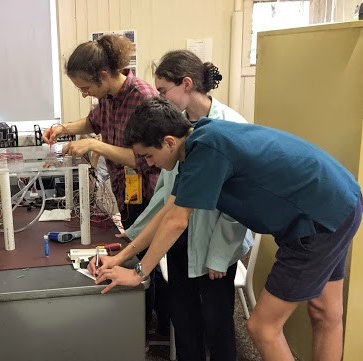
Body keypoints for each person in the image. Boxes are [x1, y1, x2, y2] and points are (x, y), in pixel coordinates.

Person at [93, 97, 362, 361]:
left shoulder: (206, 148)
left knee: (262, 328)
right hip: (341, 200)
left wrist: (138, 273)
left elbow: (177, 221)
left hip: (317, 218)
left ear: (168, 142)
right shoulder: (200, 140)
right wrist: (119, 257)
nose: (148, 164)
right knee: (326, 311)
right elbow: (167, 212)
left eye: (148, 156)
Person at [116, 50, 252, 360]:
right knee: (184, 318)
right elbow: (167, 196)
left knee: (217, 324)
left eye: (163, 90)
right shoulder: (174, 128)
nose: (159, 96)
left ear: (186, 84)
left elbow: (237, 204)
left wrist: (219, 254)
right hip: (180, 236)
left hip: (216, 242)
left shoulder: (229, 126)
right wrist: (133, 237)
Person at [41, 33, 163, 345]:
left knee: (144, 259)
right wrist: (64, 129)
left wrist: (96, 145)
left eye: (85, 88)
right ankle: (143, 319)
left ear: (104, 76)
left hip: (149, 195)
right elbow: (93, 121)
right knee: (133, 250)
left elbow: (142, 159)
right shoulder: (107, 97)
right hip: (127, 193)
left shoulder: (143, 98)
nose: (84, 94)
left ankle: (148, 329)